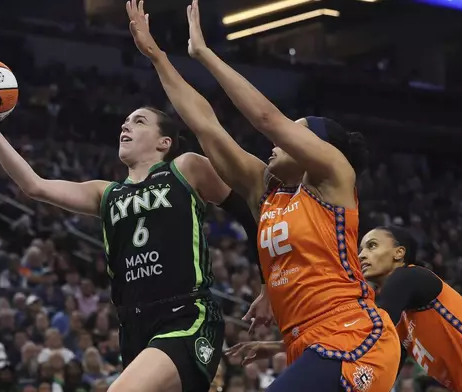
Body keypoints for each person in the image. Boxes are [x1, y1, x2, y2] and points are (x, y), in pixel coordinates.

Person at [125, 0, 400, 390]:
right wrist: (157, 58)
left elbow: (267, 119)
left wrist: (204, 54)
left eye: (296, 130)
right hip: (306, 345)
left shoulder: (336, 179)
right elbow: (206, 124)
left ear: (315, 148)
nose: (277, 139)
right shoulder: (264, 191)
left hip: (353, 338)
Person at [0, 62, 257, 391]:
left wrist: (268, 284)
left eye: (138, 122)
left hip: (187, 315)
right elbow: (34, 186)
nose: (125, 127)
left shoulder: (186, 168)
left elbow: (247, 209)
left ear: (164, 142)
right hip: (133, 324)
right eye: (124, 123)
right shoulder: (106, 192)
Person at [228, 226, 462, 391]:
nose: (362, 255)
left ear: (399, 253)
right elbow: (366, 354)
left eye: (372, 246)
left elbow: (358, 335)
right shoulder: (394, 325)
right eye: (360, 248)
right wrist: (277, 347)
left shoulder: (411, 277)